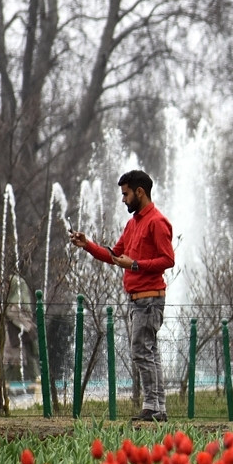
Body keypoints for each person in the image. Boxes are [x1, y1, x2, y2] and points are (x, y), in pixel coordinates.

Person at [70, 170, 175, 422]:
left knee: (141, 351)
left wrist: (135, 265)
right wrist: (89, 245)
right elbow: (115, 255)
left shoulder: (157, 222)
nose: (123, 200)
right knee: (148, 352)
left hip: (150, 298)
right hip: (139, 299)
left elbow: (168, 259)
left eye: (126, 194)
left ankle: (152, 407)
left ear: (140, 192)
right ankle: (158, 408)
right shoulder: (133, 224)